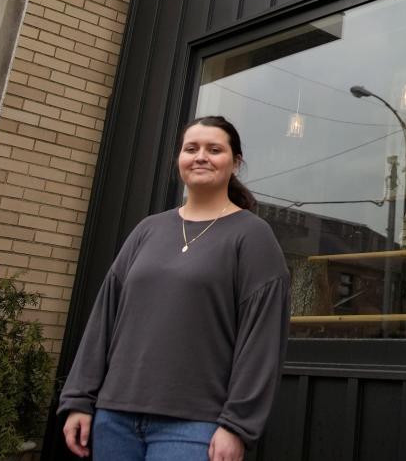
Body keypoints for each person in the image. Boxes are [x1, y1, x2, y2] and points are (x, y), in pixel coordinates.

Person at [59, 116, 290, 460]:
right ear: (179, 159)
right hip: (114, 418)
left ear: (235, 162)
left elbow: (262, 340)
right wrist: (79, 398)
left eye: (215, 149)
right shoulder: (147, 230)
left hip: (196, 425)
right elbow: (104, 317)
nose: (201, 156)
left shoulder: (252, 236)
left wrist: (237, 425)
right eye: (191, 148)